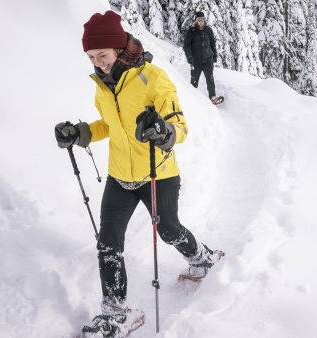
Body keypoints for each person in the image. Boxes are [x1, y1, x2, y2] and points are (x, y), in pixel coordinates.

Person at [54, 11, 223, 337]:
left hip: (158, 173)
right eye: (91, 57)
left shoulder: (153, 78)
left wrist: (162, 131)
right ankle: (116, 315)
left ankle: (202, 257)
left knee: (169, 231)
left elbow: (180, 127)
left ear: (118, 48)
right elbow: (109, 125)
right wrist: (80, 133)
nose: (98, 63)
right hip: (120, 176)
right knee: (108, 244)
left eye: (102, 55)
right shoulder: (103, 85)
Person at [183, 11, 220, 104]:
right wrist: (189, 57)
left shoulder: (208, 30)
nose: (201, 22)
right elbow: (186, 46)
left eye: (202, 20)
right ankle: (192, 99)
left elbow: (212, 44)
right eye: (199, 20)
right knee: (194, 81)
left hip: (208, 60)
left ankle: (213, 97)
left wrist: (214, 56)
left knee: (210, 79)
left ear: (204, 20)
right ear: (196, 21)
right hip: (196, 61)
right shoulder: (192, 31)